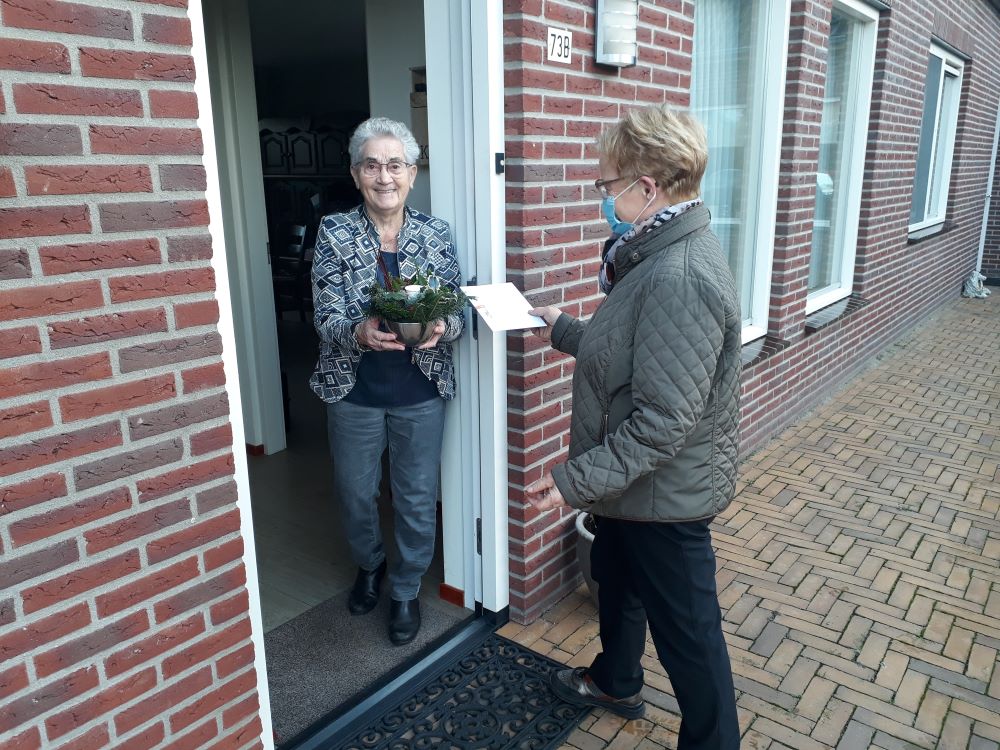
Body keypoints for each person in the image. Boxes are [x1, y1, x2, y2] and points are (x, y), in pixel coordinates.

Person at [526, 105, 742, 749]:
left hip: (664, 498)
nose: (602, 196)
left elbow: (663, 421)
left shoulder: (679, 274)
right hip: (629, 488)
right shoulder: (653, 253)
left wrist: (573, 481)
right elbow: (636, 352)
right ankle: (616, 680)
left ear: (646, 188)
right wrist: (565, 328)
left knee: (691, 639)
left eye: (606, 184)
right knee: (617, 581)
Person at [310, 117, 464, 646]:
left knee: (416, 496)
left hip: (419, 390)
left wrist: (443, 327)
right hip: (354, 389)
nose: (384, 176)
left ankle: (405, 588)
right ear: (356, 175)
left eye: (395, 165)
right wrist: (357, 333)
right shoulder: (334, 233)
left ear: (412, 174)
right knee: (355, 491)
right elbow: (324, 315)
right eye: (372, 165)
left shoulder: (435, 234)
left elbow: (457, 309)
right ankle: (370, 564)